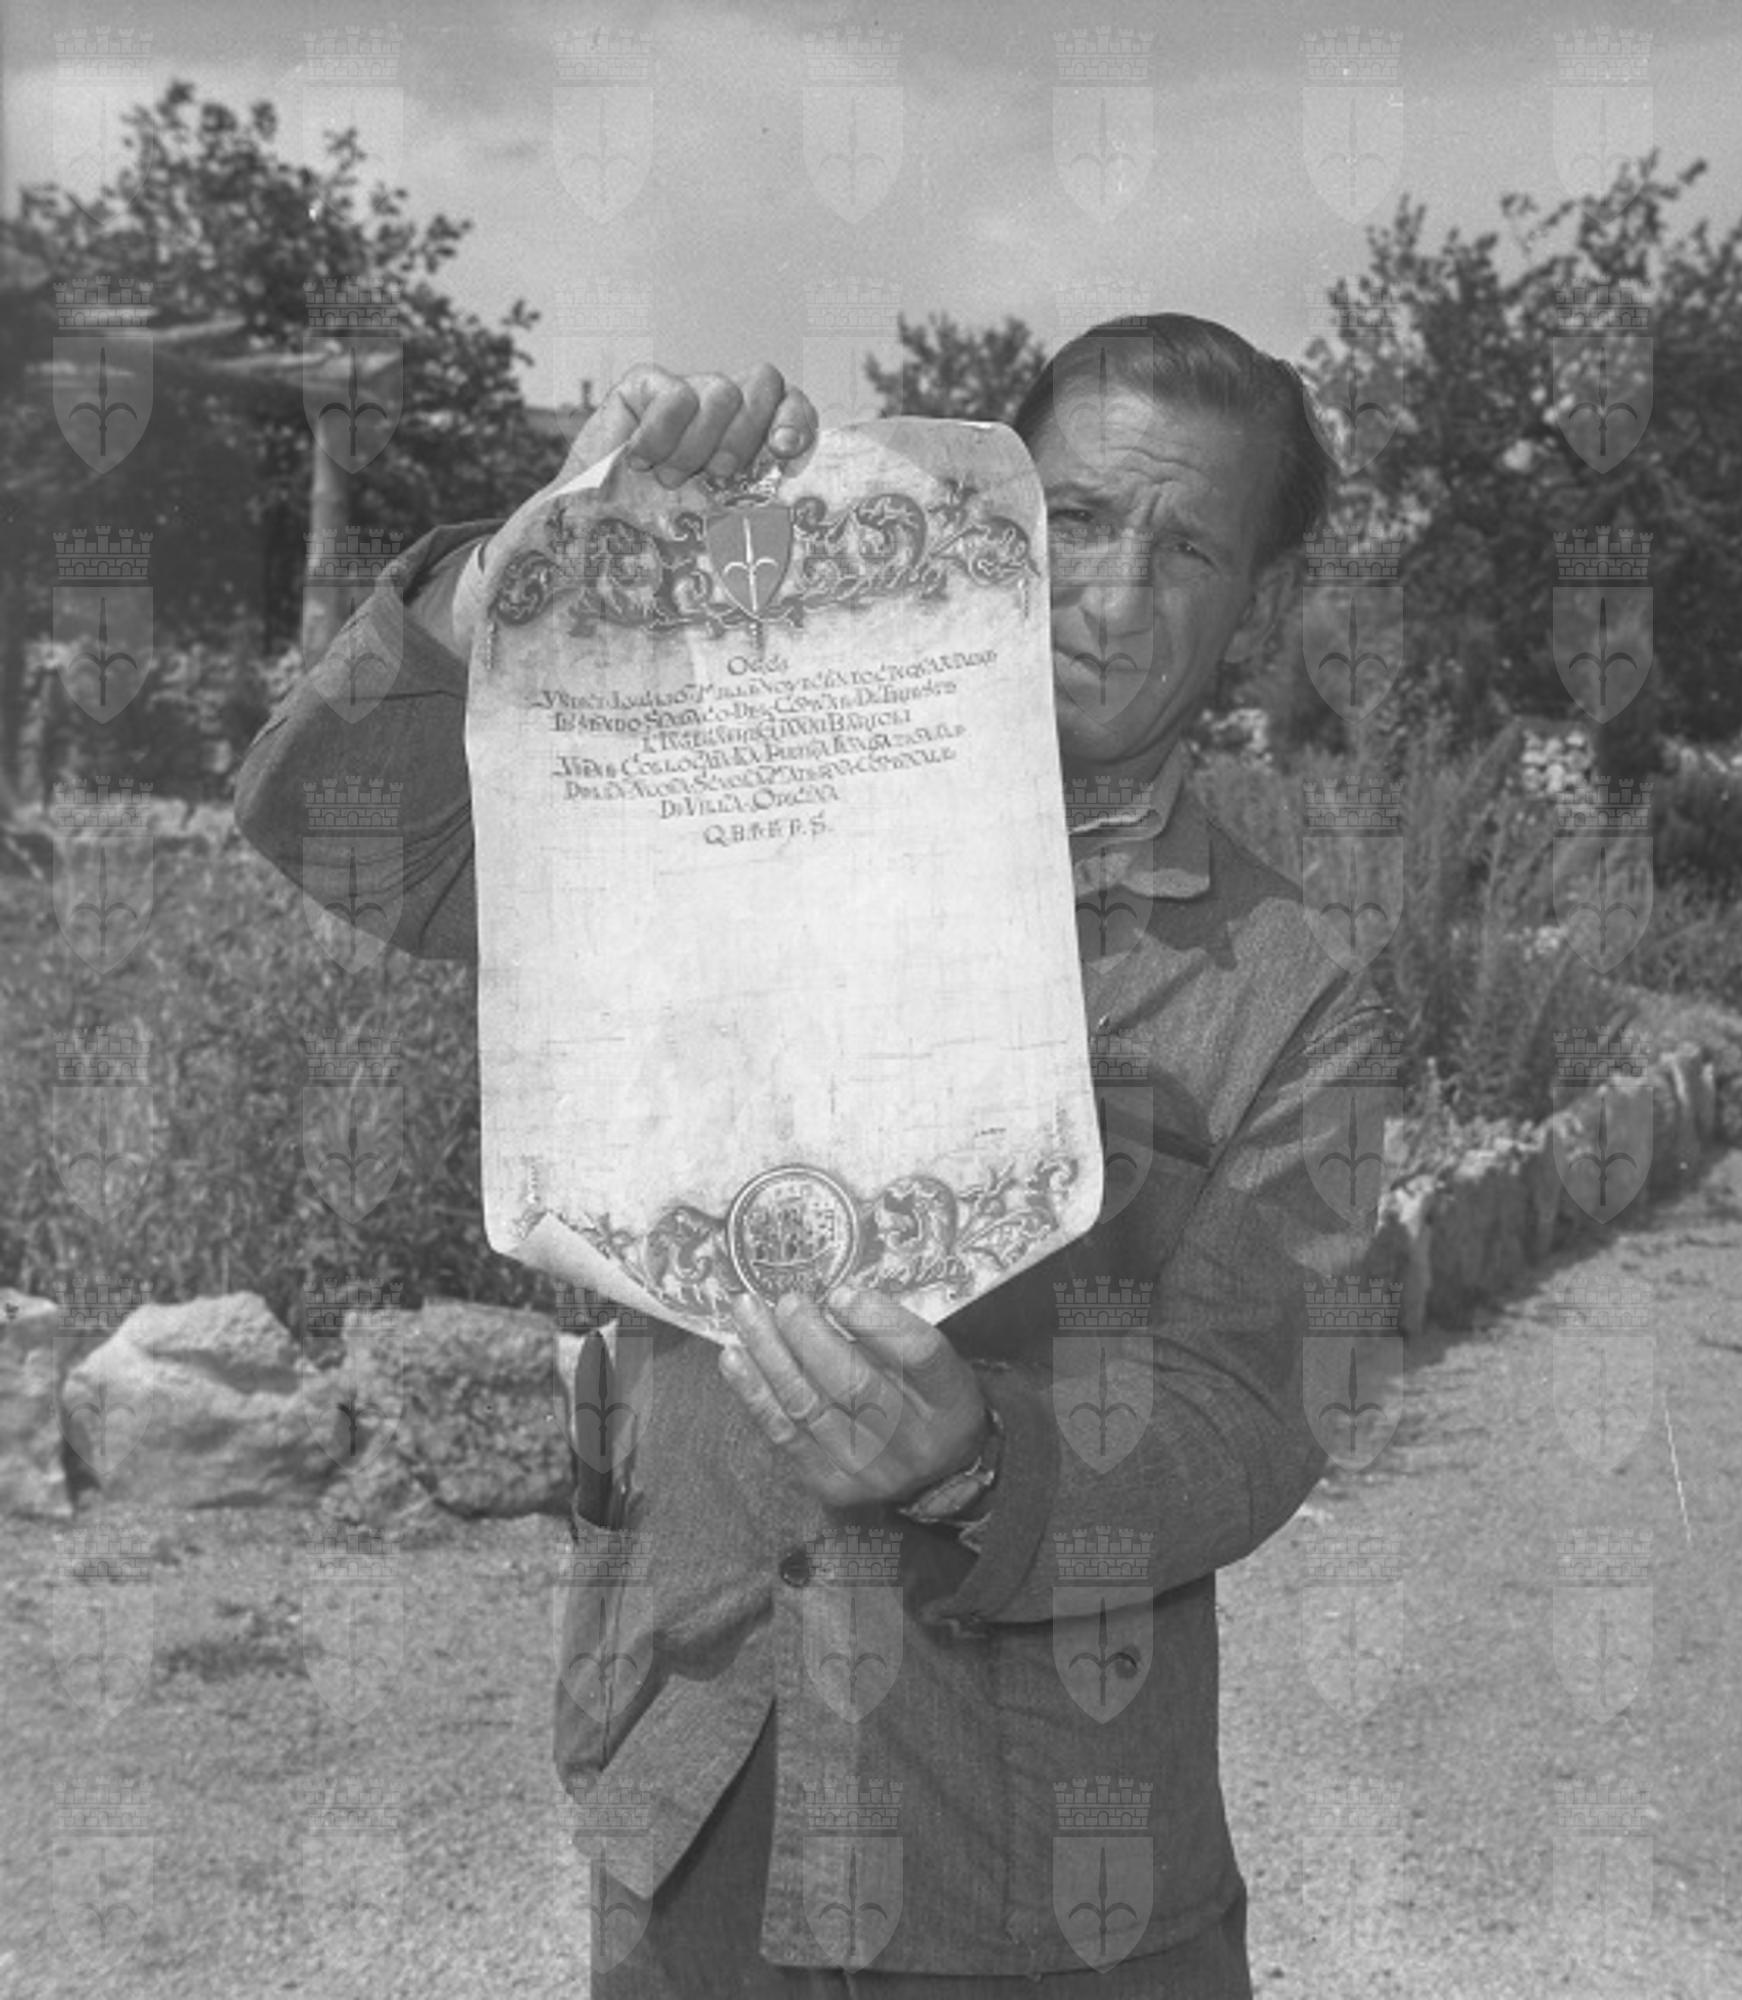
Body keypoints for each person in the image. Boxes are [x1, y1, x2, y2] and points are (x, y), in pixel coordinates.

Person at [234, 313, 1399, 1998]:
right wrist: (533, 569)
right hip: (698, 1782)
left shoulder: (1292, 996)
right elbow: (332, 832)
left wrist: (984, 1456)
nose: (1114, 594)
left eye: (1191, 548)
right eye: (1075, 519)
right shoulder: (700, 793)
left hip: (1037, 1873)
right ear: (987, 517)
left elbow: (1258, 1411)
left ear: (1264, 611)